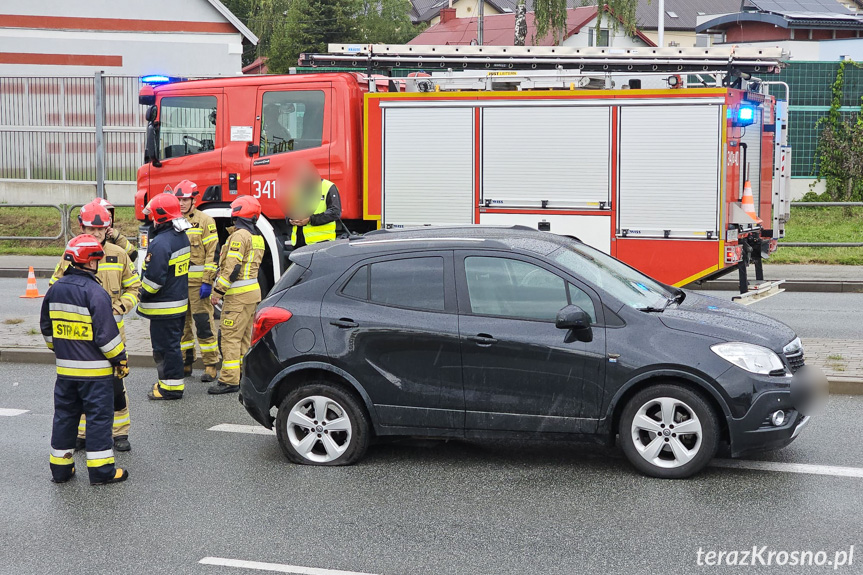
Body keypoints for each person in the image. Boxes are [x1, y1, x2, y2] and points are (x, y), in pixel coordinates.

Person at [50, 201, 140, 452]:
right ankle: (81, 433)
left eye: (101, 230)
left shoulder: (118, 254)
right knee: (81, 385)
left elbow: (135, 287)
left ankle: (120, 432)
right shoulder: (71, 253)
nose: (97, 234)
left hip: (112, 333)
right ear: (81, 227)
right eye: (91, 229)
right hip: (80, 335)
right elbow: (54, 287)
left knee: (115, 384)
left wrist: (119, 307)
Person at [41, 235, 130, 485]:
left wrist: (60, 350)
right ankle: (102, 473)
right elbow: (107, 337)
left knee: (65, 417)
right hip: (95, 375)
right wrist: (120, 360)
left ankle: (61, 471)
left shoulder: (55, 289)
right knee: (99, 419)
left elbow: (47, 329)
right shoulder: (95, 292)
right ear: (90, 263)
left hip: (66, 372)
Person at [209, 196, 265, 395]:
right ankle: (242, 375)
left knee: (230, 338)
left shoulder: (240, 236)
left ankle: (229, 380)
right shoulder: (257, 236)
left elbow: (232, 268)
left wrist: (218, 291)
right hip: (252, 295)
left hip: (238, 297)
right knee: (244, 339)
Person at [138, 193, 191, 400]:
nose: (150, 219)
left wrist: (138, 293)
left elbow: (154, 281)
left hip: (163, 307)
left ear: (160, 216)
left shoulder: (160, 243)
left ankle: (170, 388)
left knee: (164, 349)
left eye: (152, 215)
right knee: (172, 347)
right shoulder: (181, 236)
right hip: (176, 304)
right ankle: (168, 384)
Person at [173, 180, 221, 382]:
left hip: (198, 285)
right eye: (179, 199)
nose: (182, 203)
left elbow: (213, 253)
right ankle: (186, 362)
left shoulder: (205, 221)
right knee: (182, 326)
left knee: (203, 324)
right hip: (179, 284)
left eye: (185, 199)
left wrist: (207, 282)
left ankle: (210, 365)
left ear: (193, 200)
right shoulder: (173, 221)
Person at [287, 164, 342, 249]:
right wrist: (290, 219)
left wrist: (310, 219)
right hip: (299, 243)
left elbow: (335, 212)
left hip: (322, 242)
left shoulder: (328, 187)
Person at [96, 198, 138, 262]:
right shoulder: (89, 240)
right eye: (106, 216)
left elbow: (133, 255)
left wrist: (118, 237)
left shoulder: (115, 237)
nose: (109, 220)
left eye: (110, 216)